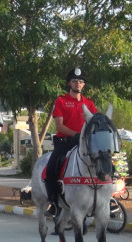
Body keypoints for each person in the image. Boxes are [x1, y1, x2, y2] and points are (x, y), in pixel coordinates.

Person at [45, 68, 98, 216]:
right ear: (69, 83)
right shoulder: (61, 101)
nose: (78, 83)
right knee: (51, 169)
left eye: (81, 81)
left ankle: (107, 198)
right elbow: (59, 125)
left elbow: (94, 123)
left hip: (85, 144)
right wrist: (76, 135)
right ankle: (54, 202)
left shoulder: (89, 103)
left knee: (104, 162)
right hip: (66, 142)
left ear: (84, 85)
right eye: (75, 81)